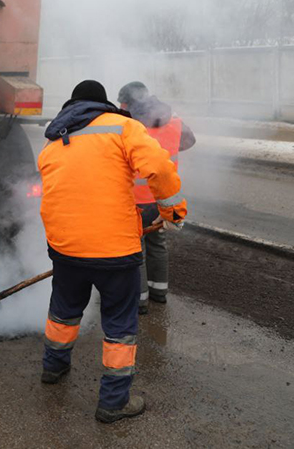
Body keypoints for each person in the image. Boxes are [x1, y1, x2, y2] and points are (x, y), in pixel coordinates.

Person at [37, 80, 187, 423]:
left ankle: (53, 368)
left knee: (63, 311)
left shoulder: (54, 140)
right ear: (102, 103)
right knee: (119, 324)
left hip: (65, 249)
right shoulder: (124, 127)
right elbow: (160, 169)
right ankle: (113, 402)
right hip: (114, 250)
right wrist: (173, 212)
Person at [117, 81, 196, 314]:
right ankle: (159, 292)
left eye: (122, 102)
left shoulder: (130, 124)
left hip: (135, 199)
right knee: (158, 245)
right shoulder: (172, 118)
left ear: (129, 101)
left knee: (136, 250)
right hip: (162, 197)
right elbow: (189, 141)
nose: (119, 106)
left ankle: (139, 300)